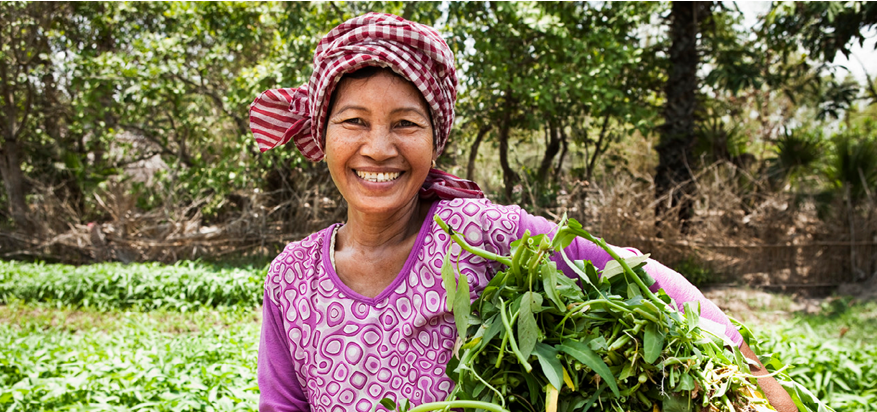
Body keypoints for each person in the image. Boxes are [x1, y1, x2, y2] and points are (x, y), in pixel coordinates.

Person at [249, 13, 795, 412]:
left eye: (406, 124)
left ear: (435, 141)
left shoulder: (475, 234)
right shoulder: (292, 277)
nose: (379, 147)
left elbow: (636, 273)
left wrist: (758, 379)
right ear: (321, 135)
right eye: (354, 121)